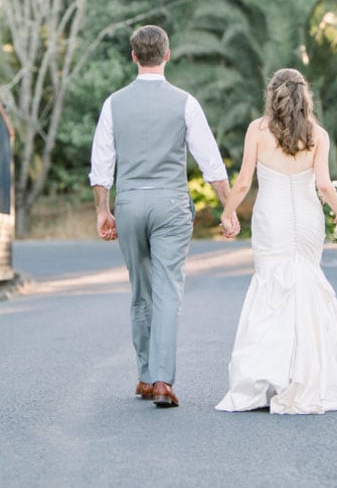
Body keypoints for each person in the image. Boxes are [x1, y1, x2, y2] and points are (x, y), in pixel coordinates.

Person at [216, 68, 337, 414]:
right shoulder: (319, 135)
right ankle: (310, 376)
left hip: (272, 218)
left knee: (272, 289)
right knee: (306, 285)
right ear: (306, 98)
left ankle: (269, 376)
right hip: (306, 219)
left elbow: (243, 182)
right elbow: (323, 185)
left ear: (272, 96)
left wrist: (228, 212)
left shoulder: (257, 131)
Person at [89, 25, 231, 408]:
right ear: (167, 55)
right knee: (168, 290)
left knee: (141, 291)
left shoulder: (113, 103)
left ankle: (144, 375)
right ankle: (163, 381)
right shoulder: (185, 102)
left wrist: (104, 210)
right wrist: (227, 207)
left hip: (131, 203)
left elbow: (102, 163)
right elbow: (209, 160)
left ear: (134, 57)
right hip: (170, 204)